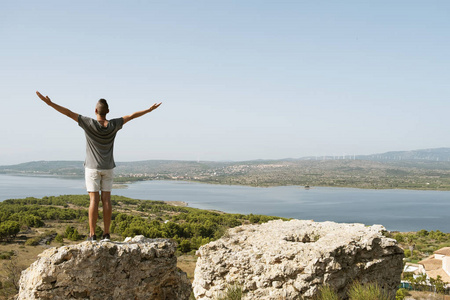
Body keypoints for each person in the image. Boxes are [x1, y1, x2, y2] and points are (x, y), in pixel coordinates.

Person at [36, 91, 162, 241]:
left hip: (92, 168)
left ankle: (92, 234)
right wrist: (148, 110)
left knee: (93, 201)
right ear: (108, 111)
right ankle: (106, 234)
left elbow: (68, 113)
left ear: (95, 111)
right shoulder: (114, 124)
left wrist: (50, 104)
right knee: (107, 200)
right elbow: (132, 115)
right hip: (108, 167)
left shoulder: (88, 123)